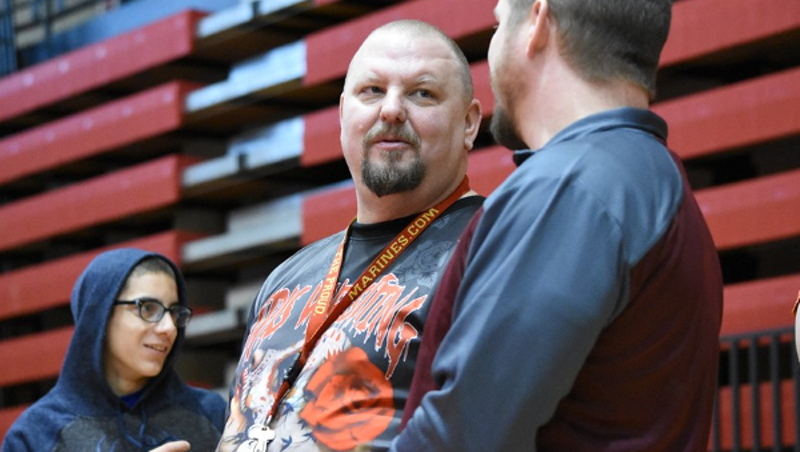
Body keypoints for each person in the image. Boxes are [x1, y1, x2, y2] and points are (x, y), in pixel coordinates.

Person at [393, 1, 724, 451]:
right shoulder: (650, 177)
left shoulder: (573, 187)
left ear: (536, 21)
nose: (490, 48)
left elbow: (459, 439)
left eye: (497, 24)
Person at [197, 19, 484, 452]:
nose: (390, 110)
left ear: (469, 123)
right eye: (371, 91)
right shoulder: (286, 277)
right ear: (342, 113)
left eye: (421, 93)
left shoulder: (494, 245)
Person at [1, 249, 227, 451]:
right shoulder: (34, 434)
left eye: (175, 312)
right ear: (99, 314)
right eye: (147, 308)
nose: (169, 327)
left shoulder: (211, 414)